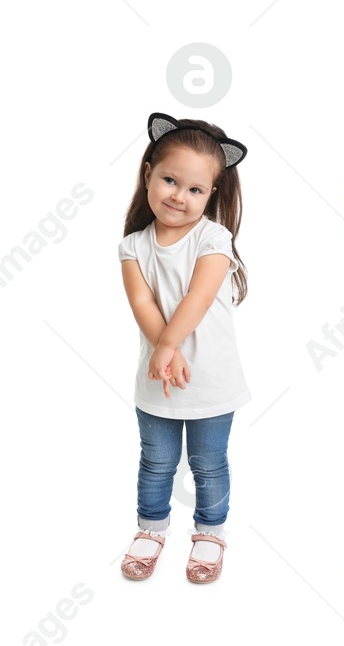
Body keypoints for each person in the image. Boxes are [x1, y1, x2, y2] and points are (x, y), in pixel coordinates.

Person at [117, 113, 252, 584]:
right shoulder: (133, 246)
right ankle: (151, 529)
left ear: (211, 193)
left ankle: (210, 533)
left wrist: (170, 345)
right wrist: (164, 351)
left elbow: (198, 296)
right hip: (158, 379)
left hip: (210, 379)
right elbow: (141, 300)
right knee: (155, 460)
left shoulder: (214, 238)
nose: (179, 195)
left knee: (208, 462)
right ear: (148, 173)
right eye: (170, 180)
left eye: (195, 189)